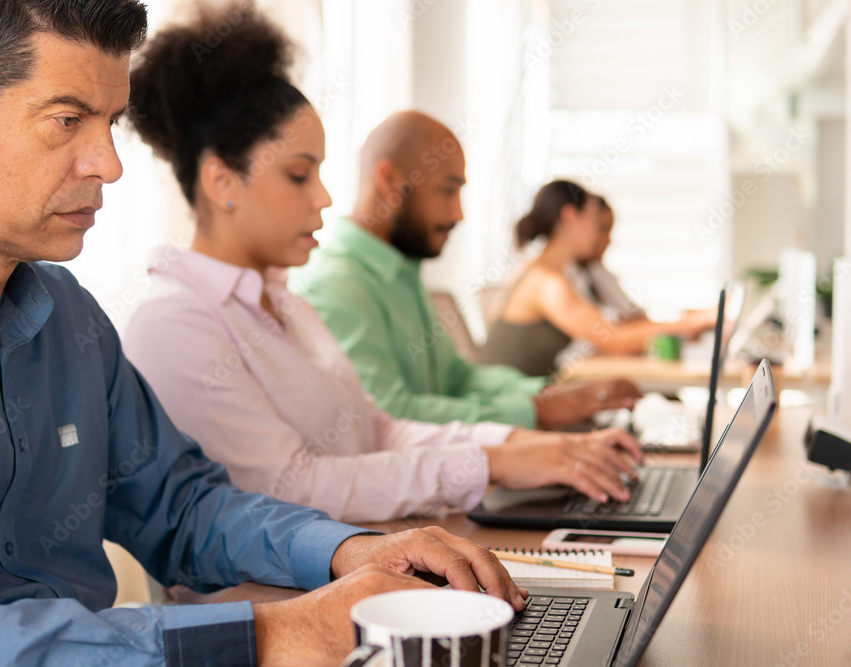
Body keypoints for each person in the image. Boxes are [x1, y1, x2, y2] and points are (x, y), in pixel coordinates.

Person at [0, 3, 527, 665]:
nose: (109, 163)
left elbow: (180, 505)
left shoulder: (68, 315)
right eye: (67, 120)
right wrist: (266, 635)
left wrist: (347, 550)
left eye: (111, 122)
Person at [121, 9, 643, 525]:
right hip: (276, 602)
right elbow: (292, 486)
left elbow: (378, 428)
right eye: (299, 175)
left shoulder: (286, 304)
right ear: (221, 182)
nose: (324, 198)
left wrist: (513, 445)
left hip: (366, 561)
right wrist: (490, 462)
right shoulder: (176, 322)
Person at [292, 111, 641, 428]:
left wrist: (549, 394)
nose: (458, 213)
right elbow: (388, 417)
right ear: (389, 180)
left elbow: (458, 380)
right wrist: (537, 411)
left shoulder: (403, 273)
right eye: (447, 191)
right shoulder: (339, 286)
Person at [478, 180, 717, 376]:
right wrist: (700, 320)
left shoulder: (551, 273)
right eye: (595, 221)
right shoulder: (546, 282)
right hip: (505, 408)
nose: (601, 235)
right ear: (570, 217)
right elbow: (612, 337)